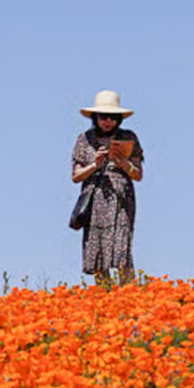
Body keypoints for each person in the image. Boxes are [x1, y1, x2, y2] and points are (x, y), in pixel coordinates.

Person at [70, 90, 144, 284]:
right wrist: (94, 164)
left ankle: (129, 294)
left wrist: (123, 163)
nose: (108, 121)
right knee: (98, 249)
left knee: (122, 248)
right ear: (95, 118)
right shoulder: (84, 140)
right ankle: (105, 297)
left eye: (113, 117)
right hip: (95, 199)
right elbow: (76, 176)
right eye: (104, 117)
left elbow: (138, 175)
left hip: (121, 199)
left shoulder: (129, 138)